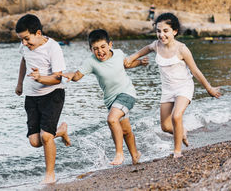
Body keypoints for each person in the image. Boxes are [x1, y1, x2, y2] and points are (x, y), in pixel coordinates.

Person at [125, 13, 221, 158]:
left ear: (174, 31)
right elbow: (146, 49)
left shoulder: (182, 49)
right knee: (165, 126)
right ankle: (182, 132)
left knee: (176, 116)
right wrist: (132, 57)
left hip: (184, 87)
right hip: (167, 90)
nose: (161, 35)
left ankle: (177, 151)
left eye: (165, 31)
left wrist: (209, 88)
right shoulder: (156, 46)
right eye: (158, 31)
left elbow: (195, 71)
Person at [62, 29, 147, 165]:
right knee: (125, 130)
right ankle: (135, 155)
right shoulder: (90, 62)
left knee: (112, 119)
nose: (100, 51)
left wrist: (140, 62)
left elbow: (127, 65)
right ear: (90, 49)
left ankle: (119, 154)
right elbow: (77, 76)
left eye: (103, 47)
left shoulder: (119, 54)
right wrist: (70, 75)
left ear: (110, 45)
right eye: (95, 49)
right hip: (111, 100)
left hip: (127, 93)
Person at [15, 14, 71, 184]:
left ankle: (50, 175)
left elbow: (58, 78)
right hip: (32, 97)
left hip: (53, 94)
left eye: (26, 38)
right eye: (21, 39)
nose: (24, 43)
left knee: (46, 136)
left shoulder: (53, 48)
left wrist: (40, 79)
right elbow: (24, 61)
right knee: (34, 141)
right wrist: (20, 84)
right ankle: (60, 131)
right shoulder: (25, 46)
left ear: (38, 33)